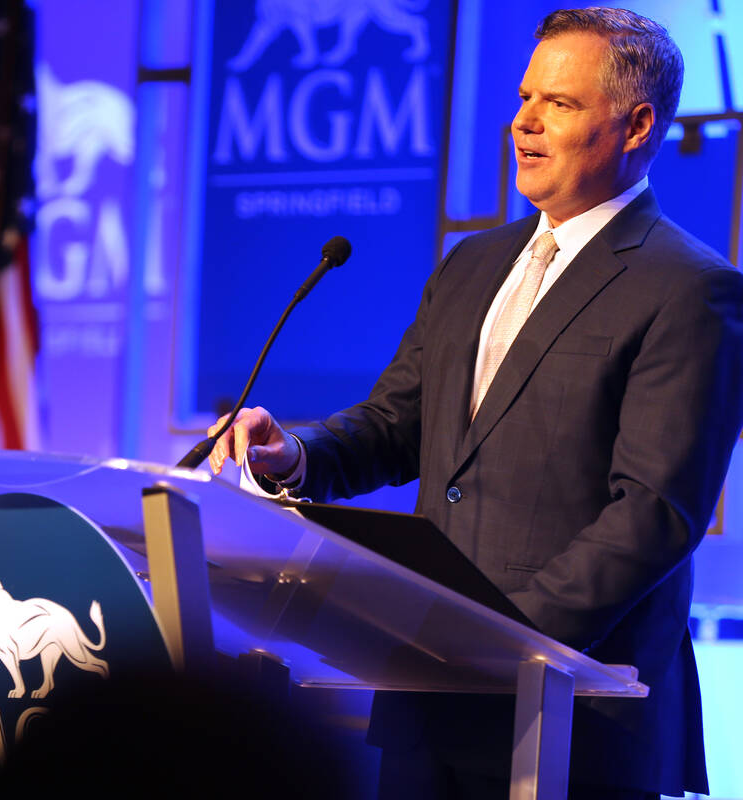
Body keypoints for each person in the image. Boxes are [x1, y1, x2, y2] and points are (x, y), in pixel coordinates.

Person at [209, 8, 743, 800]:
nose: (523, 122)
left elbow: (655, 513)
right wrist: (297, 454)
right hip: (428, 698)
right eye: (525, 97)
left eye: (557, 104)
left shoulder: (689, 288)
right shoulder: (473, 263)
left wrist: (492, 641)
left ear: (636, 126)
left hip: (575, 711)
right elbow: (397, 424)